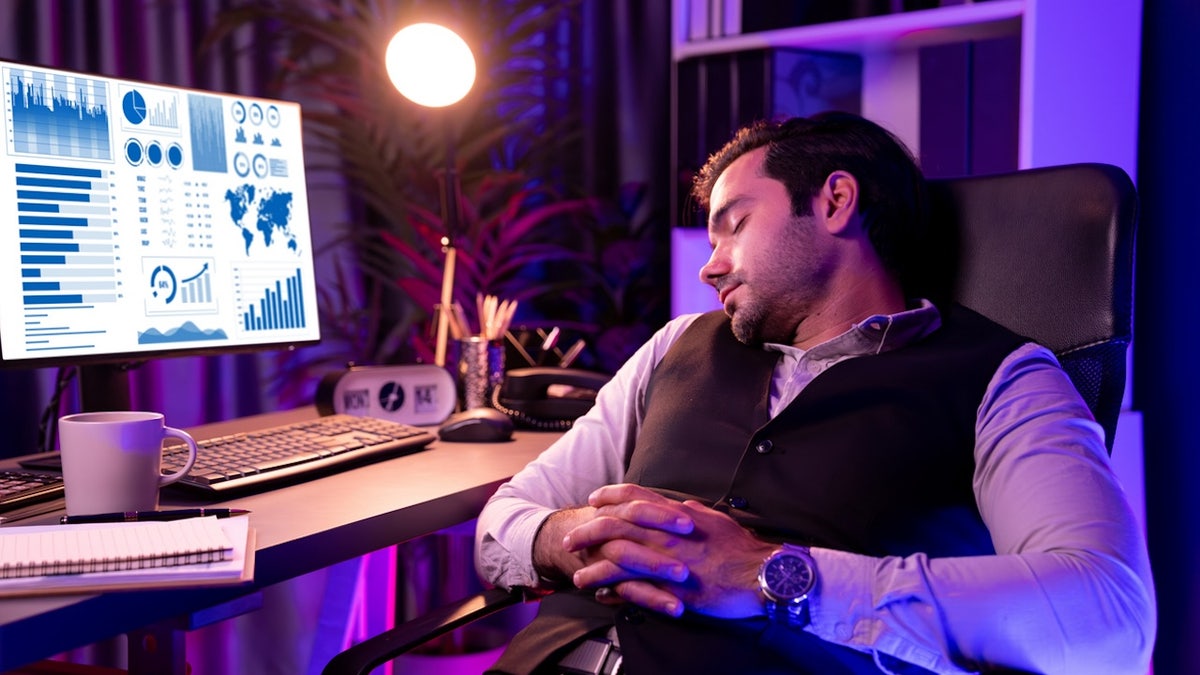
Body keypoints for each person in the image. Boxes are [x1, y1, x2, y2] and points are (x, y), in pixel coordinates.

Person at [475, 112, 1156, 674]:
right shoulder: (674, 345)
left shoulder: (1006, 377)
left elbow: (1111, 622)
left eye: (734, 224)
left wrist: (771, 574)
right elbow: (504, 519)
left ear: (834, 201)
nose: (710, 266)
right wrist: (565, 536)